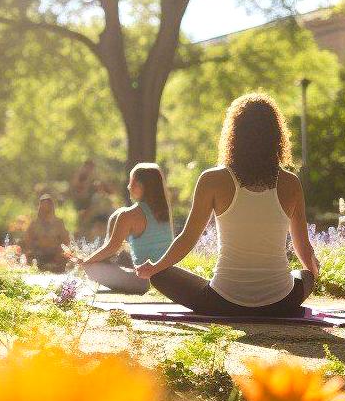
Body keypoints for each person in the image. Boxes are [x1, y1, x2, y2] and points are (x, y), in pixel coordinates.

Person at [136, 93, 319, 315]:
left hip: (222, 302)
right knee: (306, 276)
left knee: (160, 275)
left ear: (234, 134)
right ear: (276, 136)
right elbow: (303, 248)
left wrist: (155, 268)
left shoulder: (212, 180)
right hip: (280, 303)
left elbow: (187, 239)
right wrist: (314, 273)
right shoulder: (291, 183)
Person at [72, 164, 174, 294]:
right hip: (169, 279)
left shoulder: (129, 215)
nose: (128, 187)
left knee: (92, 268)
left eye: (131, 182)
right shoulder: (164, 212)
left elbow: (111, 247)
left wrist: (86, 262)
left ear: (140, 186)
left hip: (142, 282)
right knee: (123, 257)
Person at [21, 195, 72, 272]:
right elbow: (28, 241)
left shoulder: (59, 223)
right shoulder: (34, 224)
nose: (46, 207)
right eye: (43, 205)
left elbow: (66, 240)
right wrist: (30, 251)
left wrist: (60, 251)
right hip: (38, 254)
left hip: (55, 254)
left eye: (48, 205)